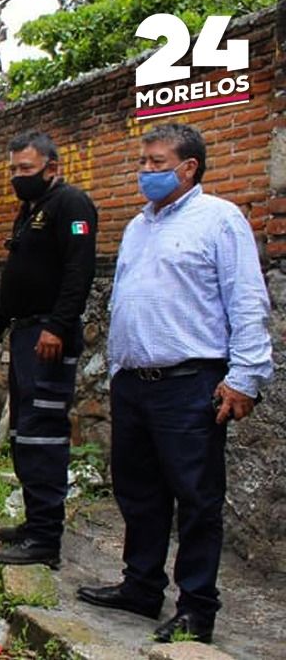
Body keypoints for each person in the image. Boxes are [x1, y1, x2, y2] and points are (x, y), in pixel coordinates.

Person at [76, 123, 272, 644]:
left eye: (157, 163)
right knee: (138, 492)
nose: (146, 172)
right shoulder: (140, 225)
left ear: (189, 167)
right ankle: (140, 587)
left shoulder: (220, 221)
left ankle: (197, 608)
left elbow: (248, 301)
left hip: (191, 382)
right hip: (135, 382)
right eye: (143, 162)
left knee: (196, 497)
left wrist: (245, 378)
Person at [0, 131, 98, 567]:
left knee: (44, 435)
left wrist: (58, 326)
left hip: (50, 337)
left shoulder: (72, 205)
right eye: (13, 169)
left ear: (52, 167)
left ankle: (46, 540)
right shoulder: (31, 211)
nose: (17, 177)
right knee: (24, 434)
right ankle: (34, 524)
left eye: (25, 169)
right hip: (26, 334)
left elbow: (78, 270)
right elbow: (19, 274)